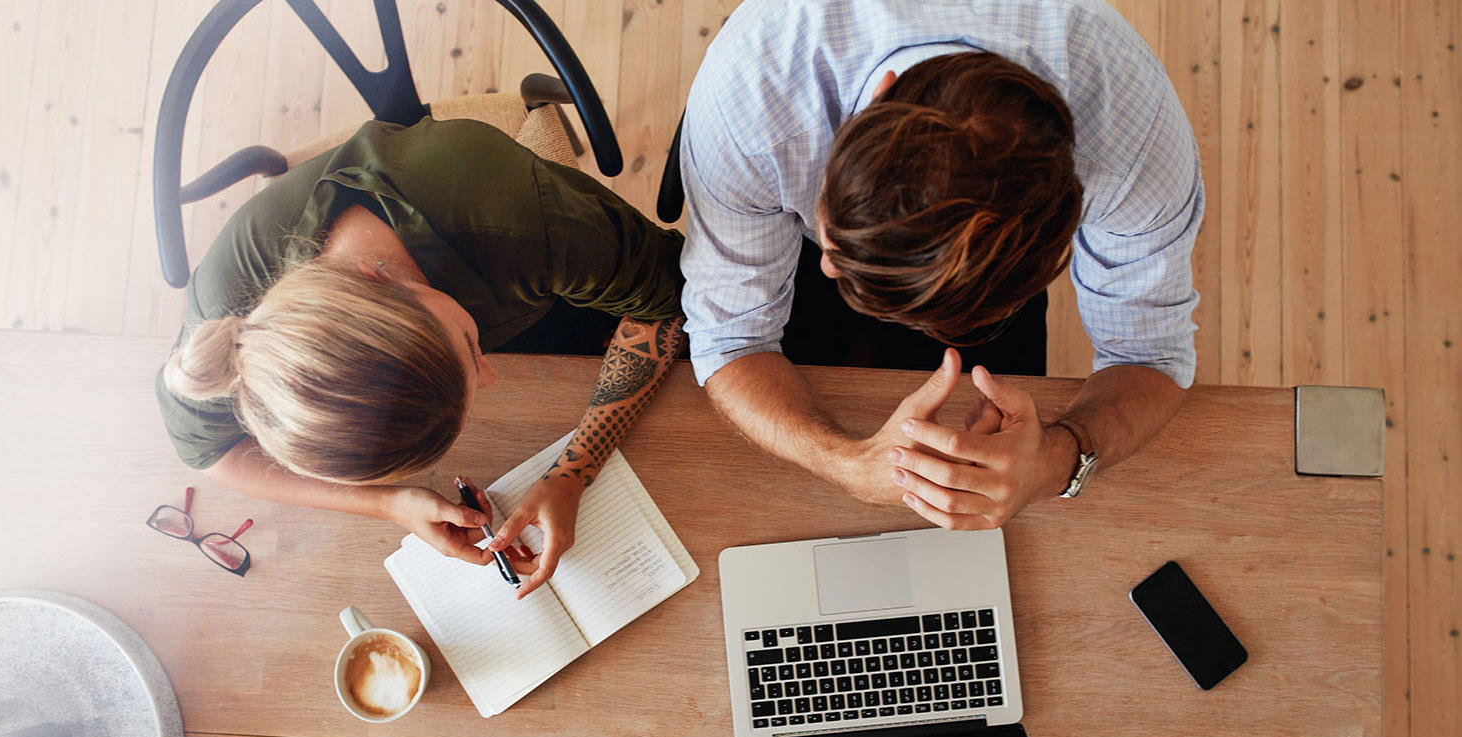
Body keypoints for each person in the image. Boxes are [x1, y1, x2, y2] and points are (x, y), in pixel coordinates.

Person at [678, 0, 1203, 529]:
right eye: (836, 242)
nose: (829, 270)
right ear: (876, 99)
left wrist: (1054, 462)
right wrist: (844, 463)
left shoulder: (1135, 145)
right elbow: (732, 338)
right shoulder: (749, 98)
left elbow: (1150, 356)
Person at [157, 117, 686, 597]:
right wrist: (388, 503)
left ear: (374, 274)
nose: (491, 375)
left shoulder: (516, 216)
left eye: (471, 345)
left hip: (520, 251)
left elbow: (676, 303)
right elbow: (210, 455)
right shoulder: (230, 326)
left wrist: (575, 469)